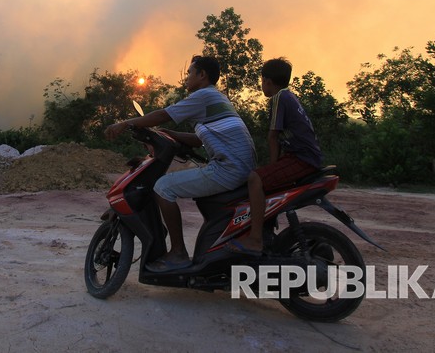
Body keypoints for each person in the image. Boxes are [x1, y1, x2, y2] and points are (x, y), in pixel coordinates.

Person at [105, 55, 256, 272]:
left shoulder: (202, 96)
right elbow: (198, 140)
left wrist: (125, 123)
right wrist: (167, 134)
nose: (186, 78)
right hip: (239, 167)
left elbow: (162, 114)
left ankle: (178, 253)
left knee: (163, 187)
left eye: (189, 73)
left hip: (227, 169)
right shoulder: (217, 98)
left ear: (202, 75)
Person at [226, 58, 323, 256]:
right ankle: (266, 232)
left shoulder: (279, 98)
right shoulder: (290, 96)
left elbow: (273, 136)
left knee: (255, 179)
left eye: (262, 81)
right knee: (263, 180)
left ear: (267, 81)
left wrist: (272, 167)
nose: (262, 85)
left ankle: (255, 239)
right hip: (305, 156)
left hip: (301, 159)